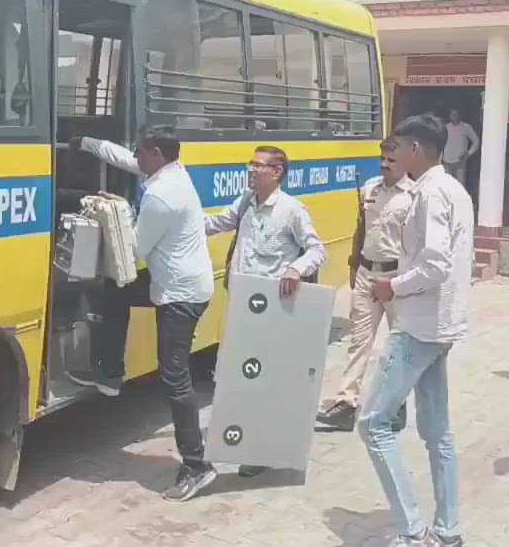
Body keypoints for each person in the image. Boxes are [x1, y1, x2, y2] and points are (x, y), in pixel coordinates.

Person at [65, 127, 219, 502]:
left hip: (179, 295)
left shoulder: (163, 195)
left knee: (175, 379)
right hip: (175, 283)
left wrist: (115, 209)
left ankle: (197, 465)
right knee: (112, 293)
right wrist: (86, 141)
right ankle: (111, 373)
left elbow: (133, 248)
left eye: (140, 153)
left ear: (155, 154)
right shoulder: (170, 172)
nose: (136, 158)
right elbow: (121, 156)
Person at [363, 114, 474, 547]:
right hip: (440, 324)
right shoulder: (454, 190)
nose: (392, 154)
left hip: (420, 325)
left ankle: (411, 531)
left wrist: (391, 286)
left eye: (399, 146)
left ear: (416, 149)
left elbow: (434, 264)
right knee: (437, 431)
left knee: (373, 423)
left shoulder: (431, 193)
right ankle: (448, 531)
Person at [206, 145, 327, 477]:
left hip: (273, 308)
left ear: (277, 172)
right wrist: (179, 223)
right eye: (250, 163)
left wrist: (295, 270)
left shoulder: (292, 211)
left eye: (259, 165)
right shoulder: (245, 202)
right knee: (240, 376)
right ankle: (243, 441)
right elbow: (216, 223)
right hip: (242, 305)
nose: (251, 170)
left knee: (265, 378)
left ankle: (261, 449)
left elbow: (317, 249)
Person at [316, 138, 412, 433]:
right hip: (366, 274)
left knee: (399, 345)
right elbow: (361, 228)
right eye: (382, 158)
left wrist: (405, 282)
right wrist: (353, 265)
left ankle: (396, 404)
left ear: (406, 162)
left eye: (391, 160)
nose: (384, 164)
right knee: (359, 341)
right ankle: (346, 403)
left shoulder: (415, 196)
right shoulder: (369, 188)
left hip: (397, 277)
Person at [442, 109, 479, 188]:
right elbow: (441, 143)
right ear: (449, 116)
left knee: (460, 187)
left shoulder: (466, 127)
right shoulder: (446, 127)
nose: (454, 117)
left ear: (460, 116)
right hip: (447, 162)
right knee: (446, 187)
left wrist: (469, 153)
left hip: (460, 162)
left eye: (456, 115)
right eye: (452, 115)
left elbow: (476, 141)